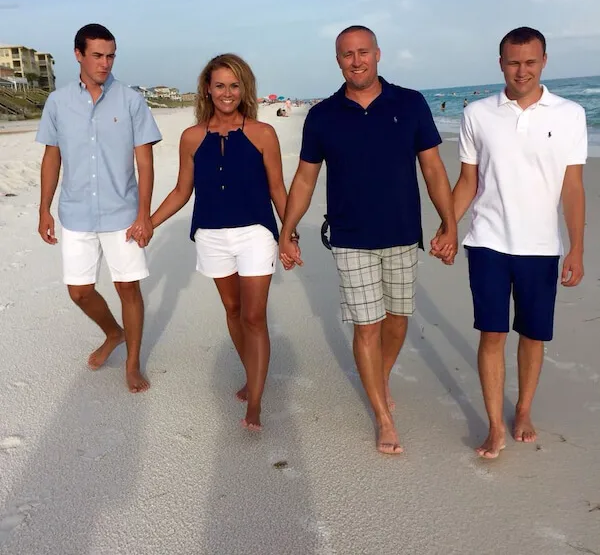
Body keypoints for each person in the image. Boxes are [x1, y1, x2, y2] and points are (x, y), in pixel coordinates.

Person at [279, 25, 457, 455]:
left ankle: (379, 378)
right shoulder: (322, 115)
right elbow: (305, 177)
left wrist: (449, 223)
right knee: (367, 324)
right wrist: (287, 230)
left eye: (363, 52)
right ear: (338, 61)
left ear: (378, 54)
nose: (356, 61)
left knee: (398, 319)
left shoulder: (410, 103)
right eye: (346, 55)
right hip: (350, 236)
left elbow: (433, 168)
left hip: (401, 232)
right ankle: (382, 415)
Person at [434, 26, 586, 459]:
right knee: (493, 333)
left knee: (533, 336)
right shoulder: (478, 114)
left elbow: (573, 187)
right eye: (514, 62)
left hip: (542, 246)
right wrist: (449, 226)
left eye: (530, 62)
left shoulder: (570, 114)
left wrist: (575, 246)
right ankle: (495, 426)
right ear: (501, 63)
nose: (522, 70)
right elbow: (468, 181)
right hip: (488, 242)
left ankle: (522, 410)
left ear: (544, 62)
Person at [149, 53, 291, 431]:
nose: (227, 93)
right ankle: (252, 375)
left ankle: (256, 403)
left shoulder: (263, 134)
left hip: (256, 232)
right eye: (219, 86)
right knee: (231, 309)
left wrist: (288, 233)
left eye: (234, 85)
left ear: (244, 89)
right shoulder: (192, 138)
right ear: (207, 90)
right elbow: (182, 190)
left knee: (253, 315)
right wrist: (149, 222)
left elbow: (278, 189)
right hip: (211, 234)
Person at [36, 24, 162, 393]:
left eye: (110, 56)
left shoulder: (130, 100)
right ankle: (113, 333)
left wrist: (144, 214)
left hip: (122, 212)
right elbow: (51, 157)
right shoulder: (58, 103)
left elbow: (146, 163)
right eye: (97, 55)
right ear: (78, 54)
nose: (105, 63)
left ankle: (133, 363)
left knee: (128, 289)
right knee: (79, 291)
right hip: (75, 212)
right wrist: (44, 209)